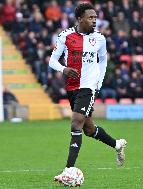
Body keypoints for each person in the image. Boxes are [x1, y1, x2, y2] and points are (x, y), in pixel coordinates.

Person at [49, 3, 127, 184]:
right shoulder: (65, 36)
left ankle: (68, 170)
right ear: (79, 19)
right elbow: (52, 60)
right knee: (88, 129)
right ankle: (117, 144)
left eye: (95, 18)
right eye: (90, 18)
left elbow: (103, 62)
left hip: (89, 86)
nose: (94, 21)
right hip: (72, 87)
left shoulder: (100, 39)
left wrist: (98, 84)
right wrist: (64, 69)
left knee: (76, 123)